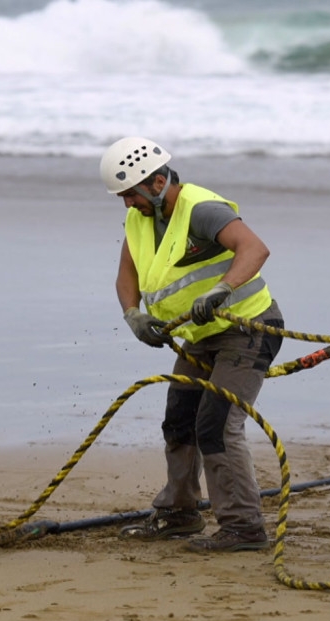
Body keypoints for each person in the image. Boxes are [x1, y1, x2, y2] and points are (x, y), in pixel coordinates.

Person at [101, 137, 284, 553]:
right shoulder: (139, 220)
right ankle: (179, 514)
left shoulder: (201, 210)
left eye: (131, 194)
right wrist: (134, 315)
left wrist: (222, 289)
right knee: (180, 420)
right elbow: (126, 274)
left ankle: (244, 527)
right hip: (198, 339)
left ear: (158, 181)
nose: (128, 204)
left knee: (216, 424)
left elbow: (255, 249)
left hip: (248, 330)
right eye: (122, 197)